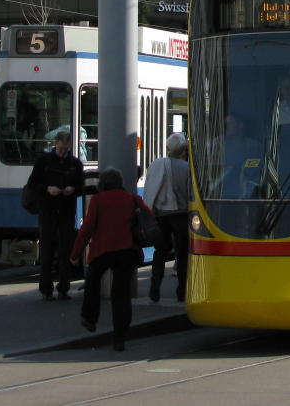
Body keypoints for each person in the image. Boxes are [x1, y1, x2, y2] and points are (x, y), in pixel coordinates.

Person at [70, 167, 148, 352]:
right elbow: (148, 216)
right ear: (120, 183)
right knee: (121, 294)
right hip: (127, 251)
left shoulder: (98, 200)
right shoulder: (132, 199)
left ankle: (89, 318)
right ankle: (119, 338)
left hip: (102, 251)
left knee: (92, 281)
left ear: (102, 184)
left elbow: (86, 230)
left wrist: (74, 254)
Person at [27, 130, 84, 301]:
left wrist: (72, 189)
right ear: (55, 144)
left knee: (66, 249)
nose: (63, 152)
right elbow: (32, 184)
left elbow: (81, 186)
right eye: (60, 149)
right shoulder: (43, 161)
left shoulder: (75, 164)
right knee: (47, 250)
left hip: (66, 210)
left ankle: (63, 288)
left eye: (66, 150)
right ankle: (46, 289)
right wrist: (47, 189)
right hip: (48, 210)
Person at [144, 132, 191, 303]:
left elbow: (149, 188)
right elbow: (190, 192)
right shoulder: (187, 168)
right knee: (182, 253)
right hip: (181, 215)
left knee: (160, 252)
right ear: (182, 150)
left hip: (161, 216)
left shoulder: (156, 165)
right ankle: (182, 292)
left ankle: (154, 289)